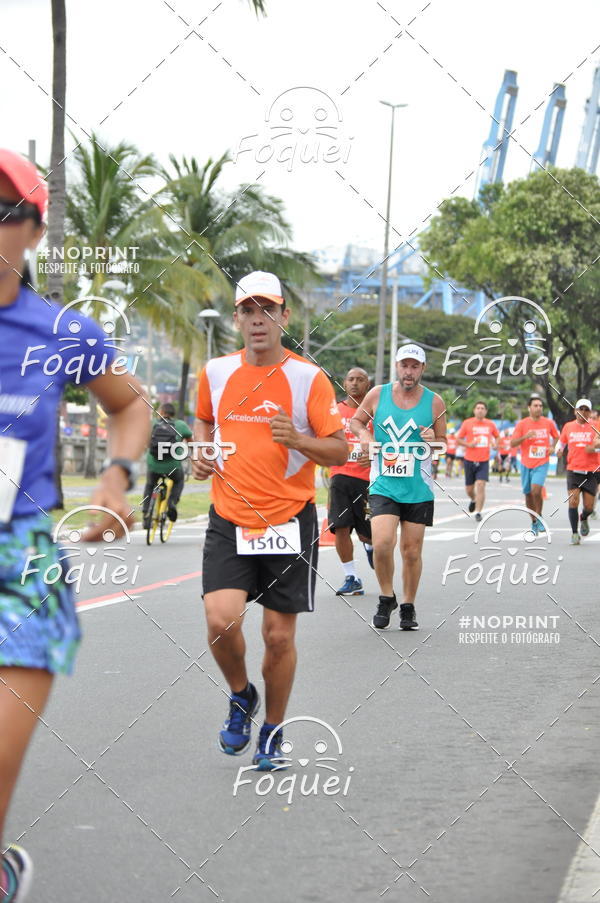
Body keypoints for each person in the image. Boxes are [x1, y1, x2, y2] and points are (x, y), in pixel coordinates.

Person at [0, 149, 149, 901]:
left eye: (0, 210)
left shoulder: (60, 330)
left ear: (30, 229)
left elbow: (130, 404)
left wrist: (116, 478)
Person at [193, 271, 346, 770]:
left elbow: (340, 448)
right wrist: (200, 449)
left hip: (287, 520)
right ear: (237, 319)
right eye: (247, 311)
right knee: (220, 622)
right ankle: (242, 695)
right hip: (229, 517)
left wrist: (299, 440)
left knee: (278, 637)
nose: (257, 320)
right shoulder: (215, 372)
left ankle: (273, 731)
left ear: (284, 317)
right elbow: (203, 419)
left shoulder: (308, 378)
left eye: (267, 310)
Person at [350, 344, 446, 631]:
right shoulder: (377, 394)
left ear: (422, 369)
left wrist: (433, 440)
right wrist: (365, 435)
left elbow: (444, 443)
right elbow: (356, 421)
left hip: (418, 487)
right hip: (384, 483)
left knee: (411, 551)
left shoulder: (435, 402)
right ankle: (386, 596)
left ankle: (407, 605)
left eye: (414, 366)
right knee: (381, 544)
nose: (409, 371)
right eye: (404, 365)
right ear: (397, 366)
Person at [327, 367, 374, 596]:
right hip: (340, 477)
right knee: (340, 527)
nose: (355, 383)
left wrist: (375, 454)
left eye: (360, 380)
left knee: (368, 534)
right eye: (350, 379)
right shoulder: (335, 411)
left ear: (368, 384)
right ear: (344, 384)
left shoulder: (377, 413)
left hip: (369, 481)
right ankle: (352, 577)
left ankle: (370, 545)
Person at [510, 398, 559, 534]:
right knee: (528, 494)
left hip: (542, 462)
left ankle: (539, 516)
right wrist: (525, 436)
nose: (538, 408)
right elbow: (513, 443)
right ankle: (534, 522)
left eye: (540, 405)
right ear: (529, 408)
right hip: (526, 463)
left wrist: (552, 447)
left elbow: (556, 437)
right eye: (535, 405)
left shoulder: (548, 423)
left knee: (536, 490)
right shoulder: (522, 424)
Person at [556, 399, 600, 545]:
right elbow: (561, 442)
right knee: (573, 501)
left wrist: (595, 447)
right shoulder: (568, 426)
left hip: (591, 471)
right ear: (575, 411)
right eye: (580, 409)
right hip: (573, 470)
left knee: (589, 506)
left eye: (586, 409)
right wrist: (559, 450)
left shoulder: (595, 427)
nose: (583, 412)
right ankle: (574, 533)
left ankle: (584, 517)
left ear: (590, 412)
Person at [142, 402, 192, 528]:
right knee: (179, 481)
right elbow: (191, 443)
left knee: (149, 485)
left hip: (154, 465)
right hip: (173, 466)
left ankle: (146, 514)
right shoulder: (181, 425)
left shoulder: (152, 423)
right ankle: (172, 503)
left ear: (161, 412)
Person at [456, 401, 499, 522]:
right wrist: (468, 444)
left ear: (486, 411)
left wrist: (496, 444)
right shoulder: (467, 423)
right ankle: (474, 499)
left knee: (481, 484)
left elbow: (497, 436)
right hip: (469, 459)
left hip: (484, 460)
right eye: (478, 408)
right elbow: (458, 439)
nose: (480, 410)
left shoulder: (490, 424)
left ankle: (478, 512)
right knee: (469, 489)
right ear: (474, 410)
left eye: (482, 408)